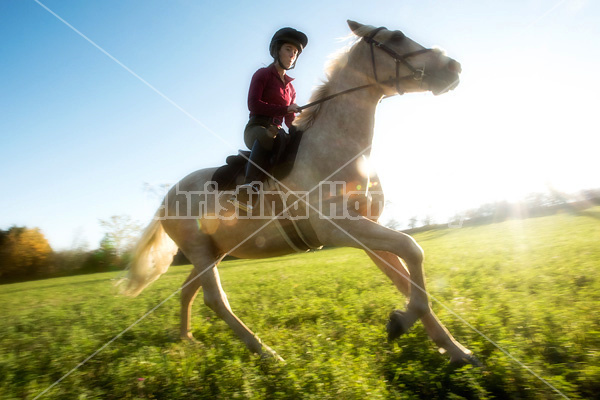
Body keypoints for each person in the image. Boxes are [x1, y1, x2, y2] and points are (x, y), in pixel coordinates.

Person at [232, 27, 308, 211]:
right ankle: (248, 190)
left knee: (293, 140)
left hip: (278, 132)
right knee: (271, 136)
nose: (292, 55)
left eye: (296, 52)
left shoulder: (291, 89)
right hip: (257, 128)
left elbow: (290, 120)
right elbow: (254, 105)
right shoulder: (262, 74)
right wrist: (284, 109)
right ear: (277, 50)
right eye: (288, 49)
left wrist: (303, 128)